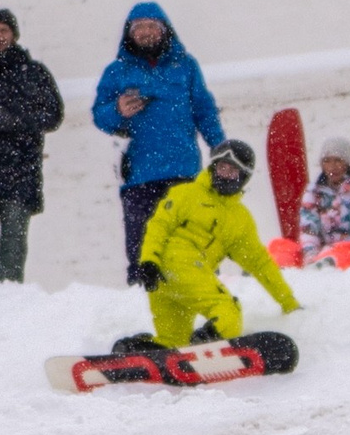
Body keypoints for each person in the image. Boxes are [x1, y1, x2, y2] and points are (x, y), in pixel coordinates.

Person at [92, 3, 226, 283]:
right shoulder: (117, 72)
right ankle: (143, 300)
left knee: (193, 240)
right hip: (140, 176)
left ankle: (204, 294)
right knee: (142, 248)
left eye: (152, 26)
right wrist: (118, 110)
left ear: (165, 30)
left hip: (184, 171)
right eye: (139, 27)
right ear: (129, 34)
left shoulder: (186, 66)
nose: (146, 33)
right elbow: (100, 116)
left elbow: (204, 109)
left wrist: (220, 147)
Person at [127, 141, 302, 349]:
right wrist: (149, 261)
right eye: (222, 167)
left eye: (232, 171)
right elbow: (158, 226)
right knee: (228, 313)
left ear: (243, 177)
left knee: (174, 343)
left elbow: (259, 263)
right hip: (174, 267)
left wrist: (287, 301)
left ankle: (138, 355)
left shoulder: (238, 220)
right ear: (212, 167)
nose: (224, 175)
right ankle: (206, 347)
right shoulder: (186, 194)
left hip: (169, 282)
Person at [0, 8, 64, 284]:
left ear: (14, 35)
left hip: (21, 166)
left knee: (14, 239)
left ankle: (9, 296)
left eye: (3, 31)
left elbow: (53, 115)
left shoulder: (34, 72)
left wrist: (16, 120)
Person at [298, 136, 350, 261]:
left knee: (340, 256)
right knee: (282, 249)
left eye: (338, 160)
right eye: (327, 161)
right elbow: (309, 227)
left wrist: (342, 247)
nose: (332, 166)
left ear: (347, 163)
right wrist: (310, 253)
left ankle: (329, 260)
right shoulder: (314, 191)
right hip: (322, 252)